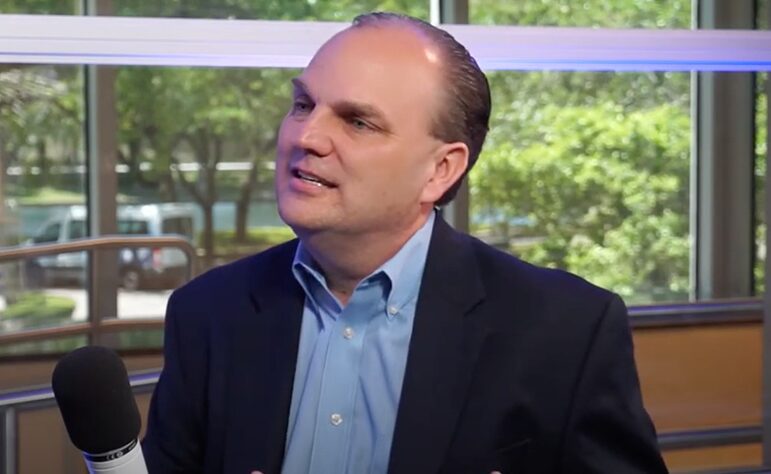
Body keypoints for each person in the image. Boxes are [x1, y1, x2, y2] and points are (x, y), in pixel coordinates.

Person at [142, 12, 668, 474]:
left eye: (357, 121)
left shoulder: (565, 332)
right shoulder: (209, 313)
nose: (306, 137)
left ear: (440, 170)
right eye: (303, 104)